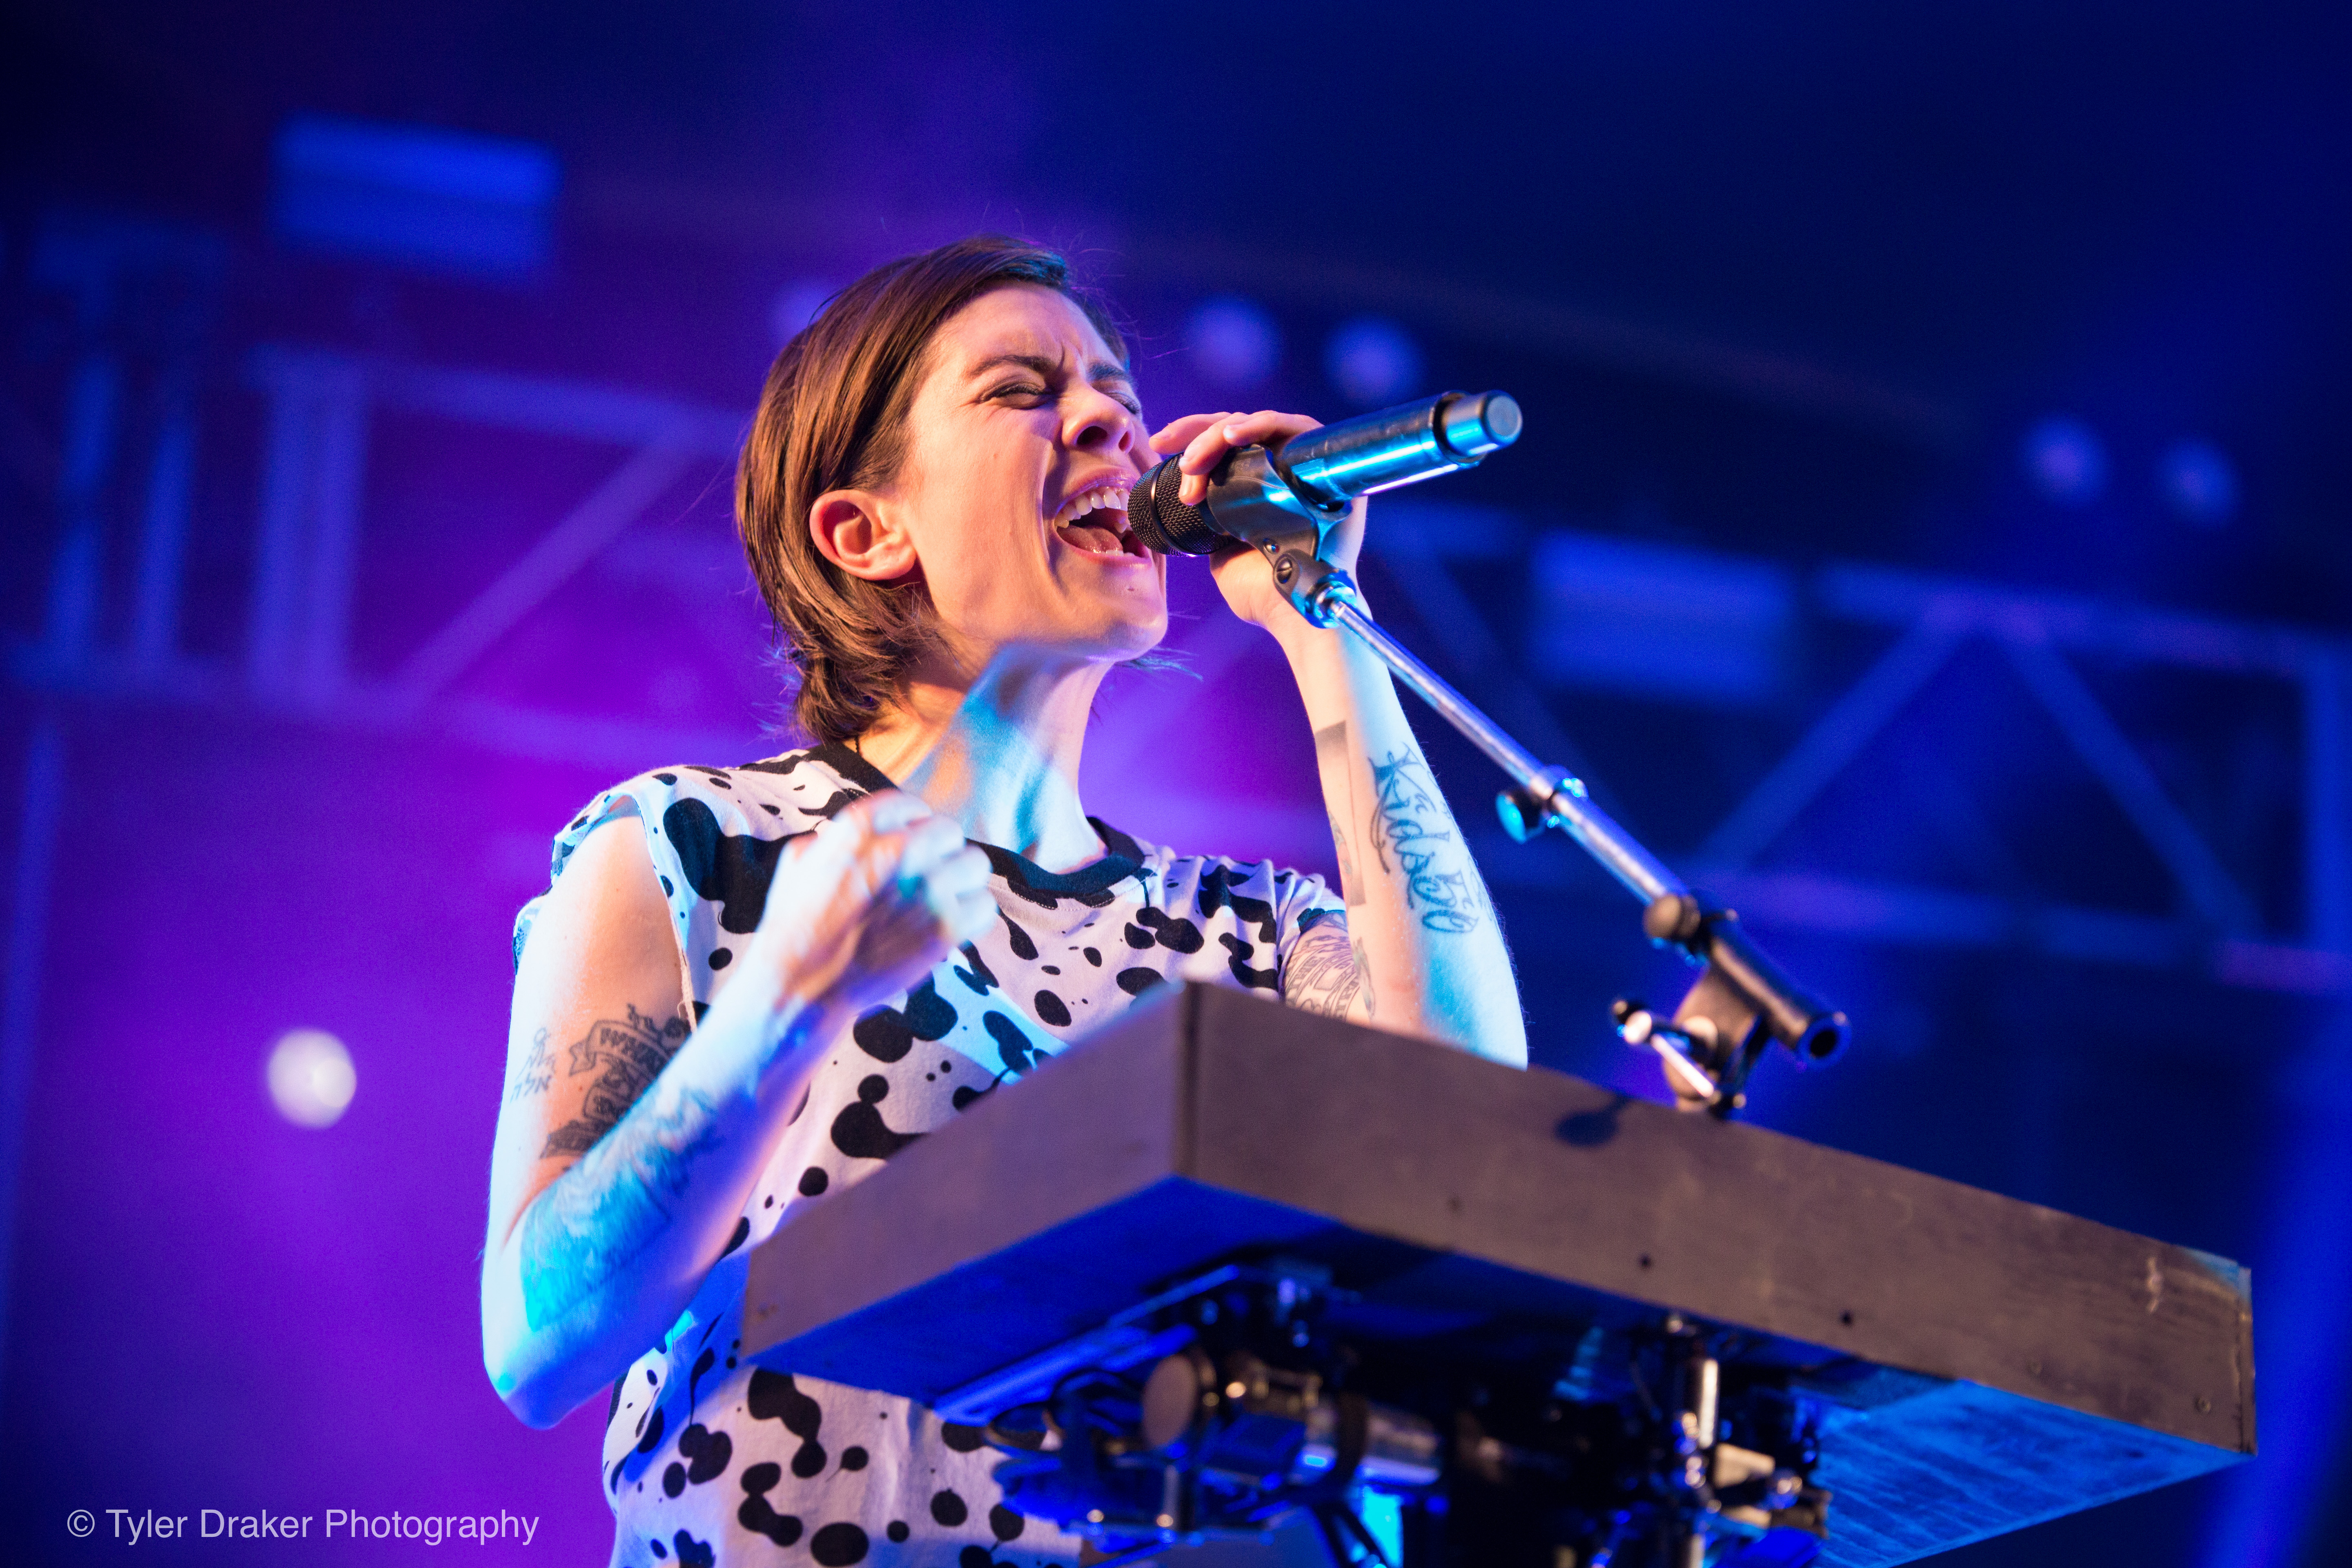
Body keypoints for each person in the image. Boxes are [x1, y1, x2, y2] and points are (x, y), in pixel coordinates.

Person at [481, 235, 1526, 1568]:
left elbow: (1467, 1134)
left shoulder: (1242, 930)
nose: (1109, 422)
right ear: (868, 531)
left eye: (1117, 396)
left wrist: (1325, 621)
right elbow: (537, 1345)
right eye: (1023, 391)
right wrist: (785, 1003)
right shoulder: (698, 848)